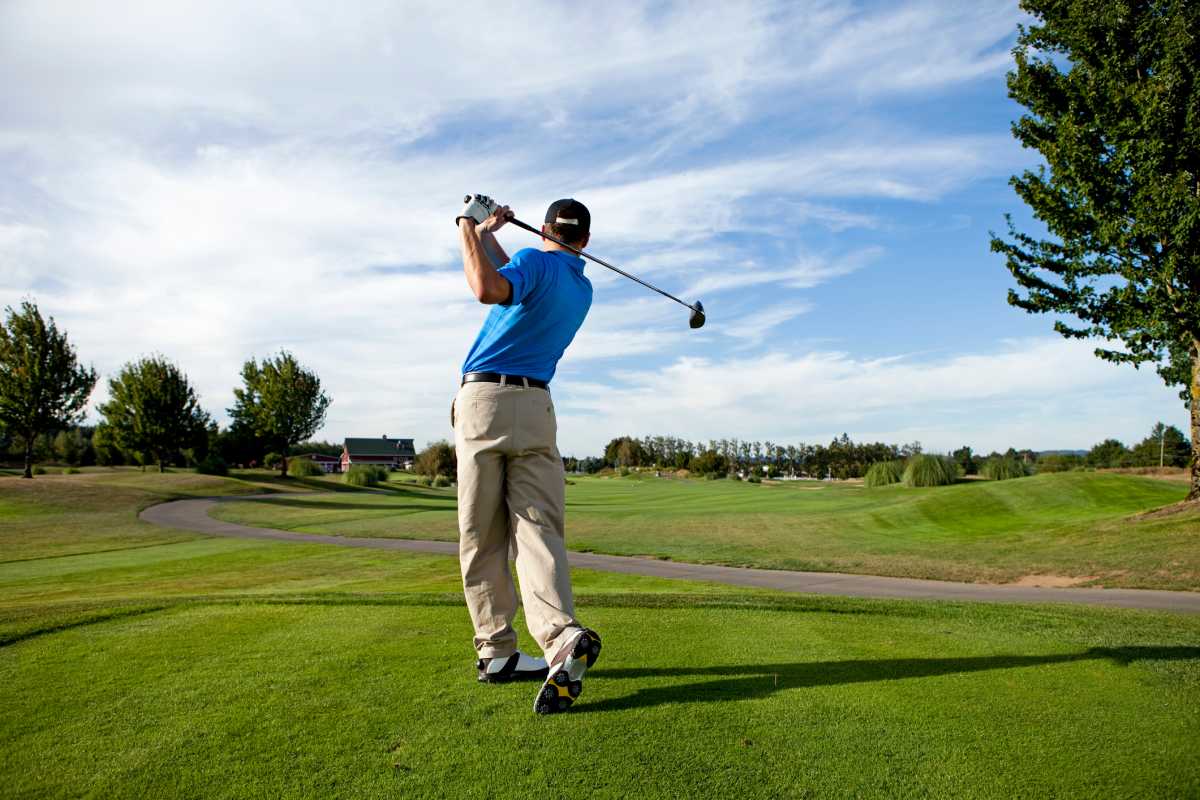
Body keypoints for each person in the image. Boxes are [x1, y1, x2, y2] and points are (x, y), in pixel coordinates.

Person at [452, 196, 602, 715]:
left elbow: (489, 287)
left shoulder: (533, 262)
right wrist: (493, 234)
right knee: (537, 532)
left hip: (486, 403)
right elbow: (520, 272)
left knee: (482, 535)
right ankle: (561, 638)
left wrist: (467, 225)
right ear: (584, 240)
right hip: (537, 407)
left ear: (542, 229)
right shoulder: (580, 287)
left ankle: (496, 650)